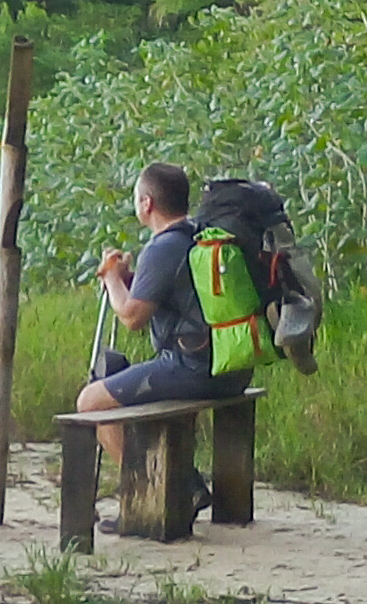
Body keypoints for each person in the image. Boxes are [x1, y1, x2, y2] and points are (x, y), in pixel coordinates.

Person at [72, 160, 246, 495]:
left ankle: (164, 490)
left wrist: (110, 279)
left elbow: (132, 318)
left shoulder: (162, 246)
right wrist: (126, 280)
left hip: (193, 368)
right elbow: (171, 297)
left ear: (147, 203)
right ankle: (182, 484)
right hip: (232, 368)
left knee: (90, 402)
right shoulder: (198, 236)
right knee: (117, 391)